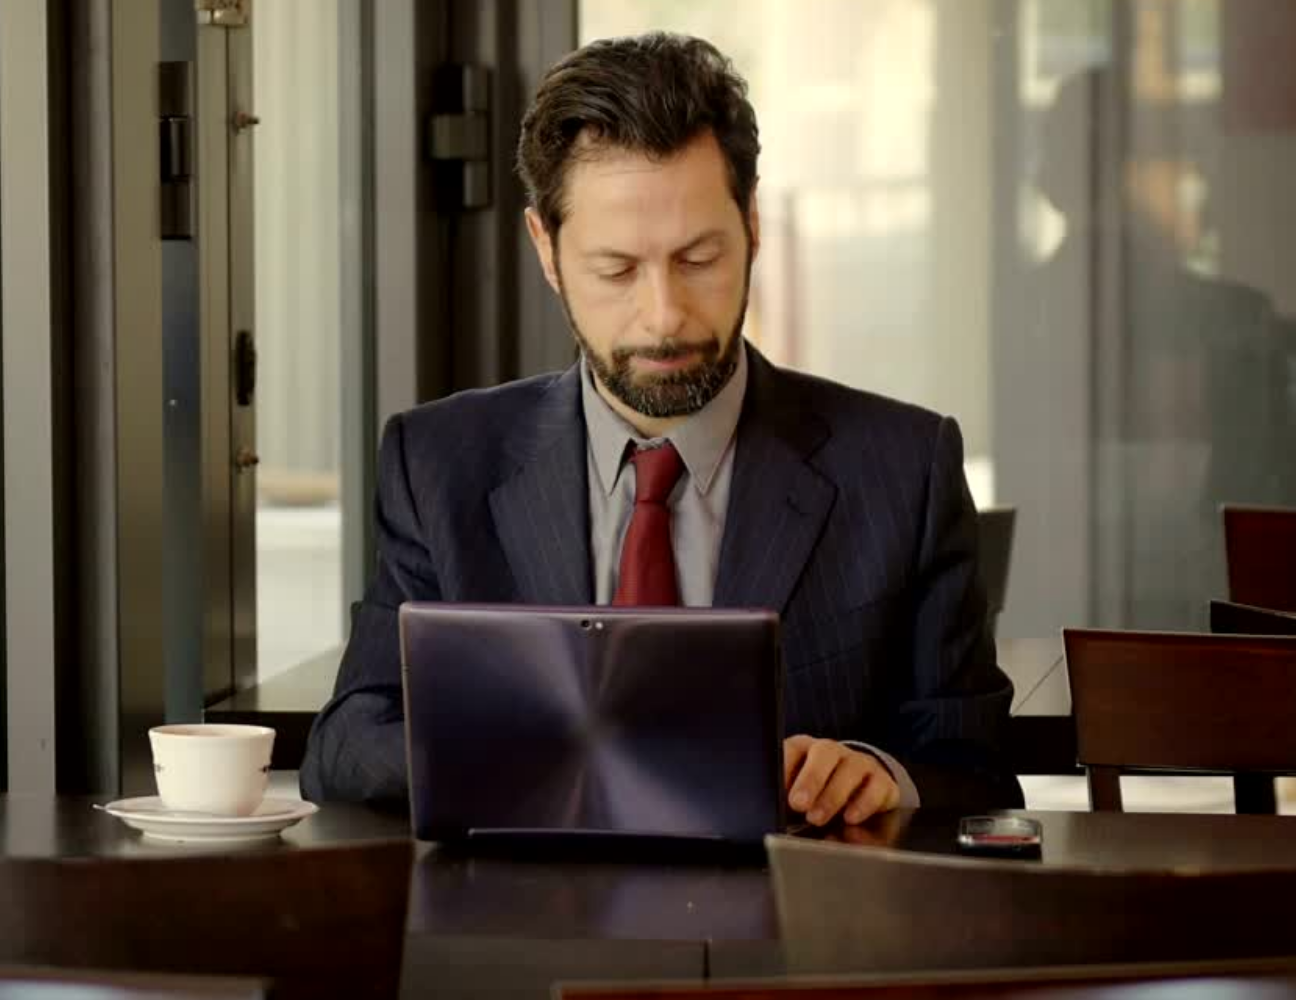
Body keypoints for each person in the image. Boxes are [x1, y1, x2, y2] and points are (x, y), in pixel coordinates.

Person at [302, 32, 1018, 823]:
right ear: (546, 249)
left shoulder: (903, 468)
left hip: (797, 934)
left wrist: (881, 775)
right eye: (616, 270)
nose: (665, 315)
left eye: (700, 258)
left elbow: (978, 771)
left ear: (751, 223)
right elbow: (345, 746)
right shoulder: (438, 464)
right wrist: (548, 750)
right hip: (526, 932)